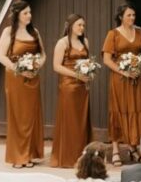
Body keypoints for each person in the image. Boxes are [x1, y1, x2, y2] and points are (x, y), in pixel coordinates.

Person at [103, 2, 141, 166]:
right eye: (129, 15)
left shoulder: (140, 33)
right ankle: (115, 150)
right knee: (120, 110)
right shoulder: (113, 34)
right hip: (120, 80)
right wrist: (124, 71)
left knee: (138, 109)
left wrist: (140, 65)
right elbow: (106, 59)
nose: (132, 18)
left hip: (138, 79)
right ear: (121, 17)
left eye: (134, 15)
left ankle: (134, 147)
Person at [0, 0, 45, 169]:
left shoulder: (35, 32)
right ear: (17, 15)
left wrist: (36, 66)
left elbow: (43, 54)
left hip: (32, 78)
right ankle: (18, 156)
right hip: (15, 78)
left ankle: (29, 154)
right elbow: (1, 56)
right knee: (18, 117)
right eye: (25, 13)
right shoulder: (8, 32)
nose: (29, 15)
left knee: (31, 116)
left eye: (30, 12)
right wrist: (17, 68)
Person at [50, 13, 94, 167]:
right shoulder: (62, 43)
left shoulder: (85, 42)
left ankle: (82, 156)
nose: (82, 28)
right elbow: (56, 66)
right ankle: (68, 157)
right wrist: (77, 75)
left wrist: (89, 73)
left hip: (83, 87)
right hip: (68, 86)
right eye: (79, 25)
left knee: (81, 121)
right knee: (71, 121)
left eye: (83, 25)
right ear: (70, 26)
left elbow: (88, 61)